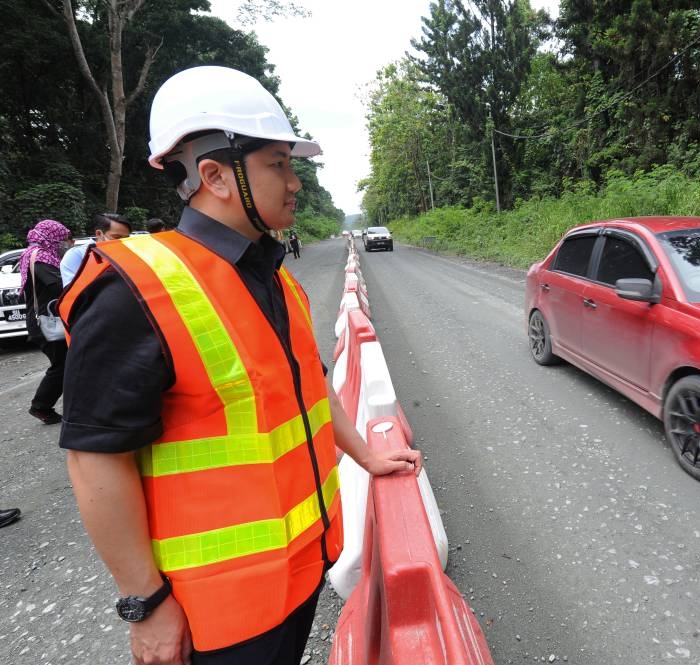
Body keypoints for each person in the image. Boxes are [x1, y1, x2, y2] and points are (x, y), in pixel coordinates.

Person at [58, 65, 421, 665]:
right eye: (278, 164)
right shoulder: (137, 290)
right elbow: (95, 457)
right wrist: (143, 603)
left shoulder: (274, 278)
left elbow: (306, 389)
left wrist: (366, 456)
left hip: (301, 576)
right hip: (215, 620)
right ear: (215, 176)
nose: (295, 181)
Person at [19, 219, 72, 424]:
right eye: (62, 239)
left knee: (66, 363)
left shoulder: (41, 254)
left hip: (46, 318)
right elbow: (57, 285)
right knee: (62, 364)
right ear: (52, 237)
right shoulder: (39, 257)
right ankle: (41, 407)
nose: (65, 243)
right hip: (45, 322)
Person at [60, 212, 132, 286]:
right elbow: (72, 291)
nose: (122, 242)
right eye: (116, 237)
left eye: (126, 239)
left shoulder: (129, 255)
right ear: (99, 234)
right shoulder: (77, 255)